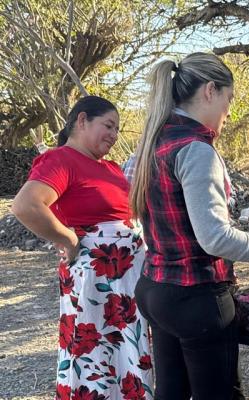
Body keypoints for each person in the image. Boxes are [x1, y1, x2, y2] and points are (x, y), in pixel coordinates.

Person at [130, 52, 249, 400]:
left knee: (170, 393)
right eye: (228, 99)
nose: (229, 111)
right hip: (196, 298)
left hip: (155, 289)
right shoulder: (195, 150)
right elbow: (215, 238)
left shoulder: (151, 144)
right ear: (209, 91)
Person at [12, 96, 154, 399]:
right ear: (81, 121)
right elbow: (26, 206)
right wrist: (68, 239)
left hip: (127, 279)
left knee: (127, 348)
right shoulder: (61, 159)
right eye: (108, 125)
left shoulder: (110, 167)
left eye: (117, 129)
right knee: (96, 351)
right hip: (96, 279)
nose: (114, 135)